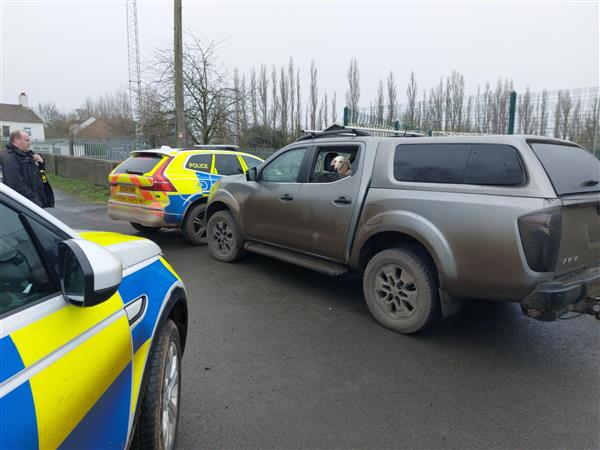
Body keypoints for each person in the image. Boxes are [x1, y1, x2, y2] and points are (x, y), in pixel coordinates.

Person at [0, 130, 47, 207]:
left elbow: (41, 175)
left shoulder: (26, 153)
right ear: (16, 140)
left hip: (33, 200)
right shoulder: (9, 157)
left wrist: (41, 163)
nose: (30, 143)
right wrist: (35, 200)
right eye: (27, 140)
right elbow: (16, 185)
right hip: (25, 203)